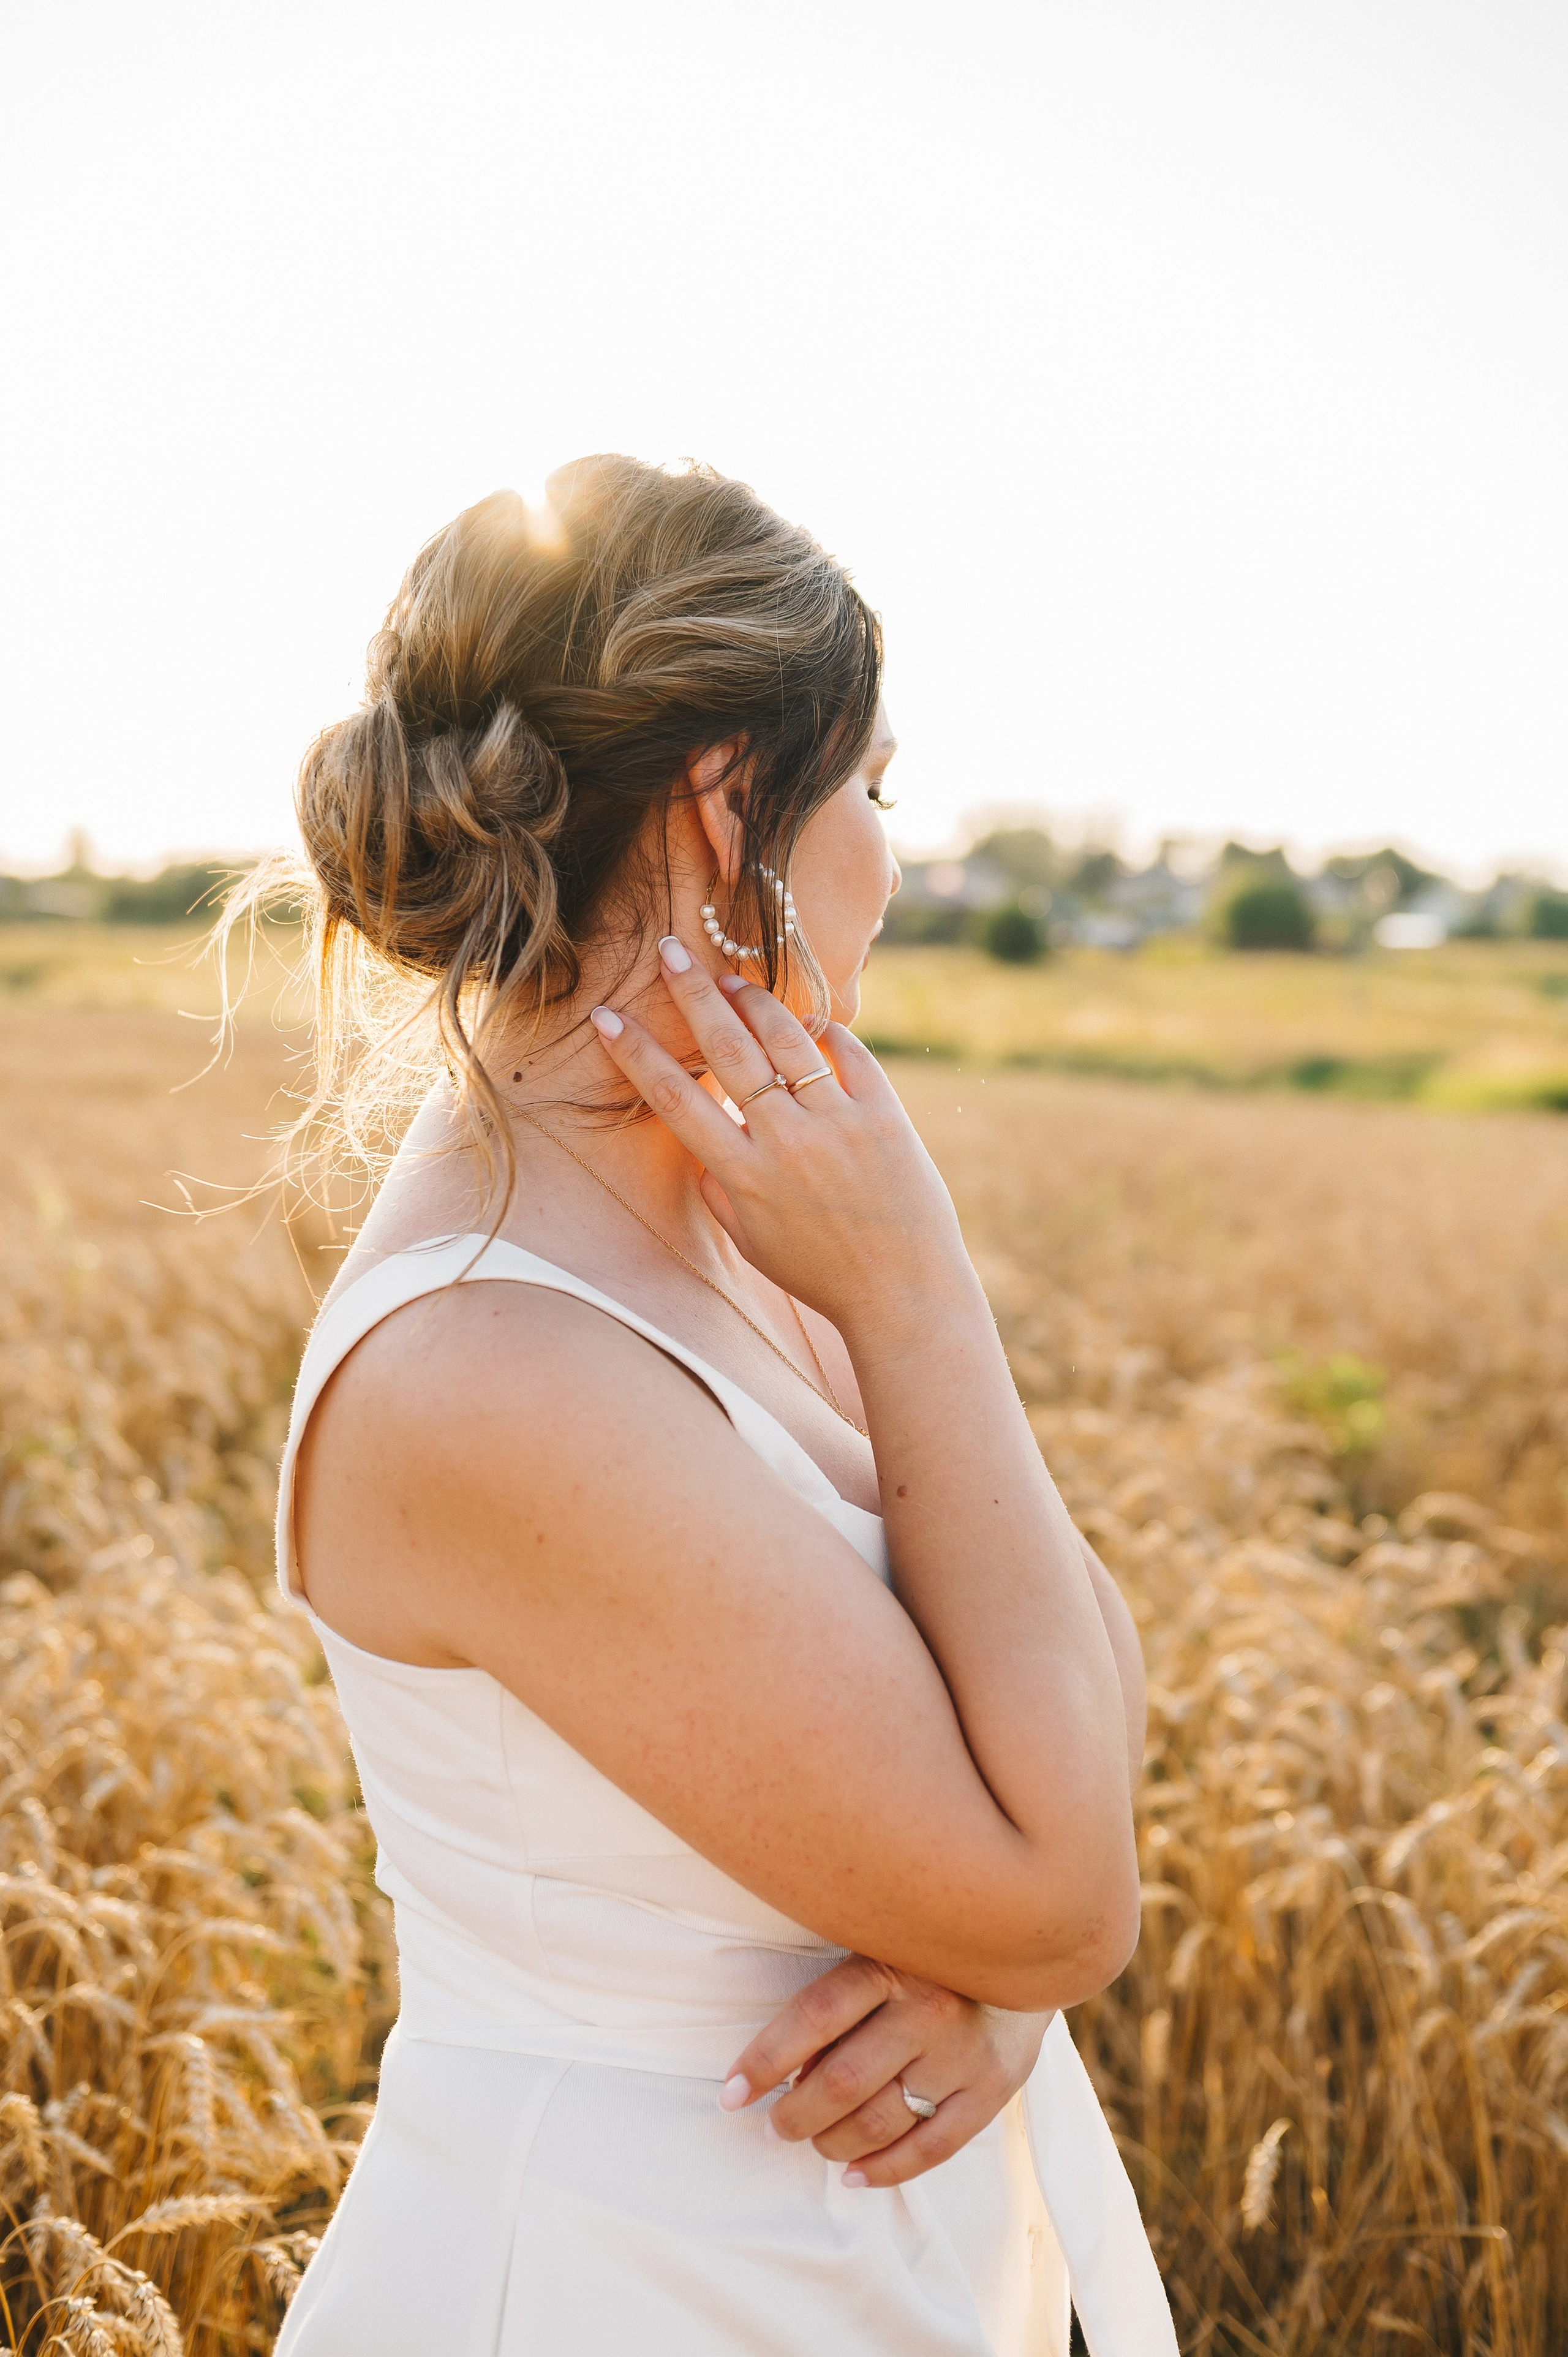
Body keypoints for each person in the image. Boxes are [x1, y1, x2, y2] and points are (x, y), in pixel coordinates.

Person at [263, 456, 1177, 2355]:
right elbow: (1064, 1877)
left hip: (843, 2259)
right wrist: (920, 1299)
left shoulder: (747, 1227)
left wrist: (997, 1981)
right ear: (717, 802)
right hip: (621, 2281)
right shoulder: (485, 1369)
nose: (895, 863)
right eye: (873, 789)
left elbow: (1086, 1673)